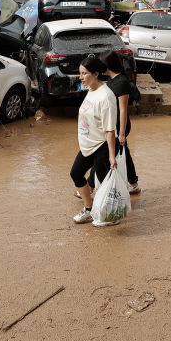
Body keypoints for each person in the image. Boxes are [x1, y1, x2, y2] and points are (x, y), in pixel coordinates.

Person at [70, 55, 118, 226]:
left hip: (102, 145)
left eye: (84, 74)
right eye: (80, 73)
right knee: (76, 173)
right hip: (88, 144)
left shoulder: (106, 97)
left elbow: (110, 130)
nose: (81, 77)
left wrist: (112, 156)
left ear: (96, 74)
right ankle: (89, 209)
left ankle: (111, 216)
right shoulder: (91, 90)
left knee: (104, 182)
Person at [83, 50, 139, 194]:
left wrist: (121, 134)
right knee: (123, 153)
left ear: (108, 65)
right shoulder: (112, 80)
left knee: (100, 153)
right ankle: (133, 183)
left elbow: (123, 110)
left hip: (118, 126)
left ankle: (89, 187)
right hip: (110, 124)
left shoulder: (121, 82)